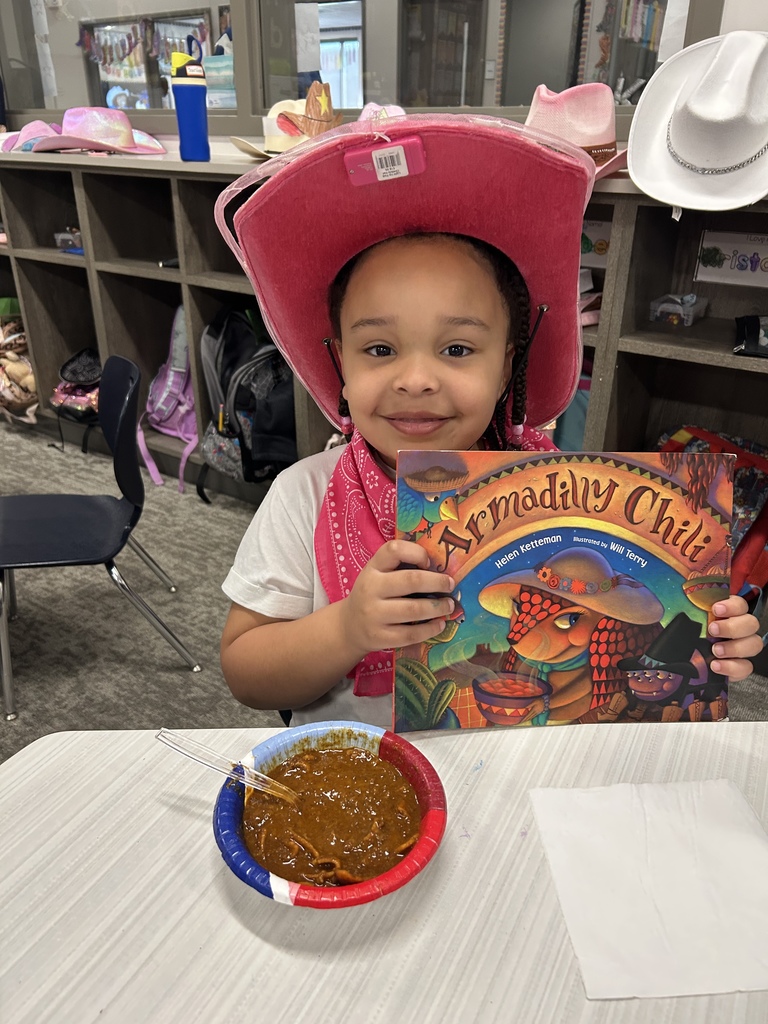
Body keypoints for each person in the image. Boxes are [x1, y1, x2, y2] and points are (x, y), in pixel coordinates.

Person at [216, 114, 763, 728]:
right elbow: (245, 672)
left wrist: (705, 645)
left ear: (507, 365)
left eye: (456, 349)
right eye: (378, 350)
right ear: (340, 363)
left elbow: (635, 624)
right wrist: (348, 626)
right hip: (366, 776)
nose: (416, 379)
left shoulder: (563, 494)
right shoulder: (305, 497)